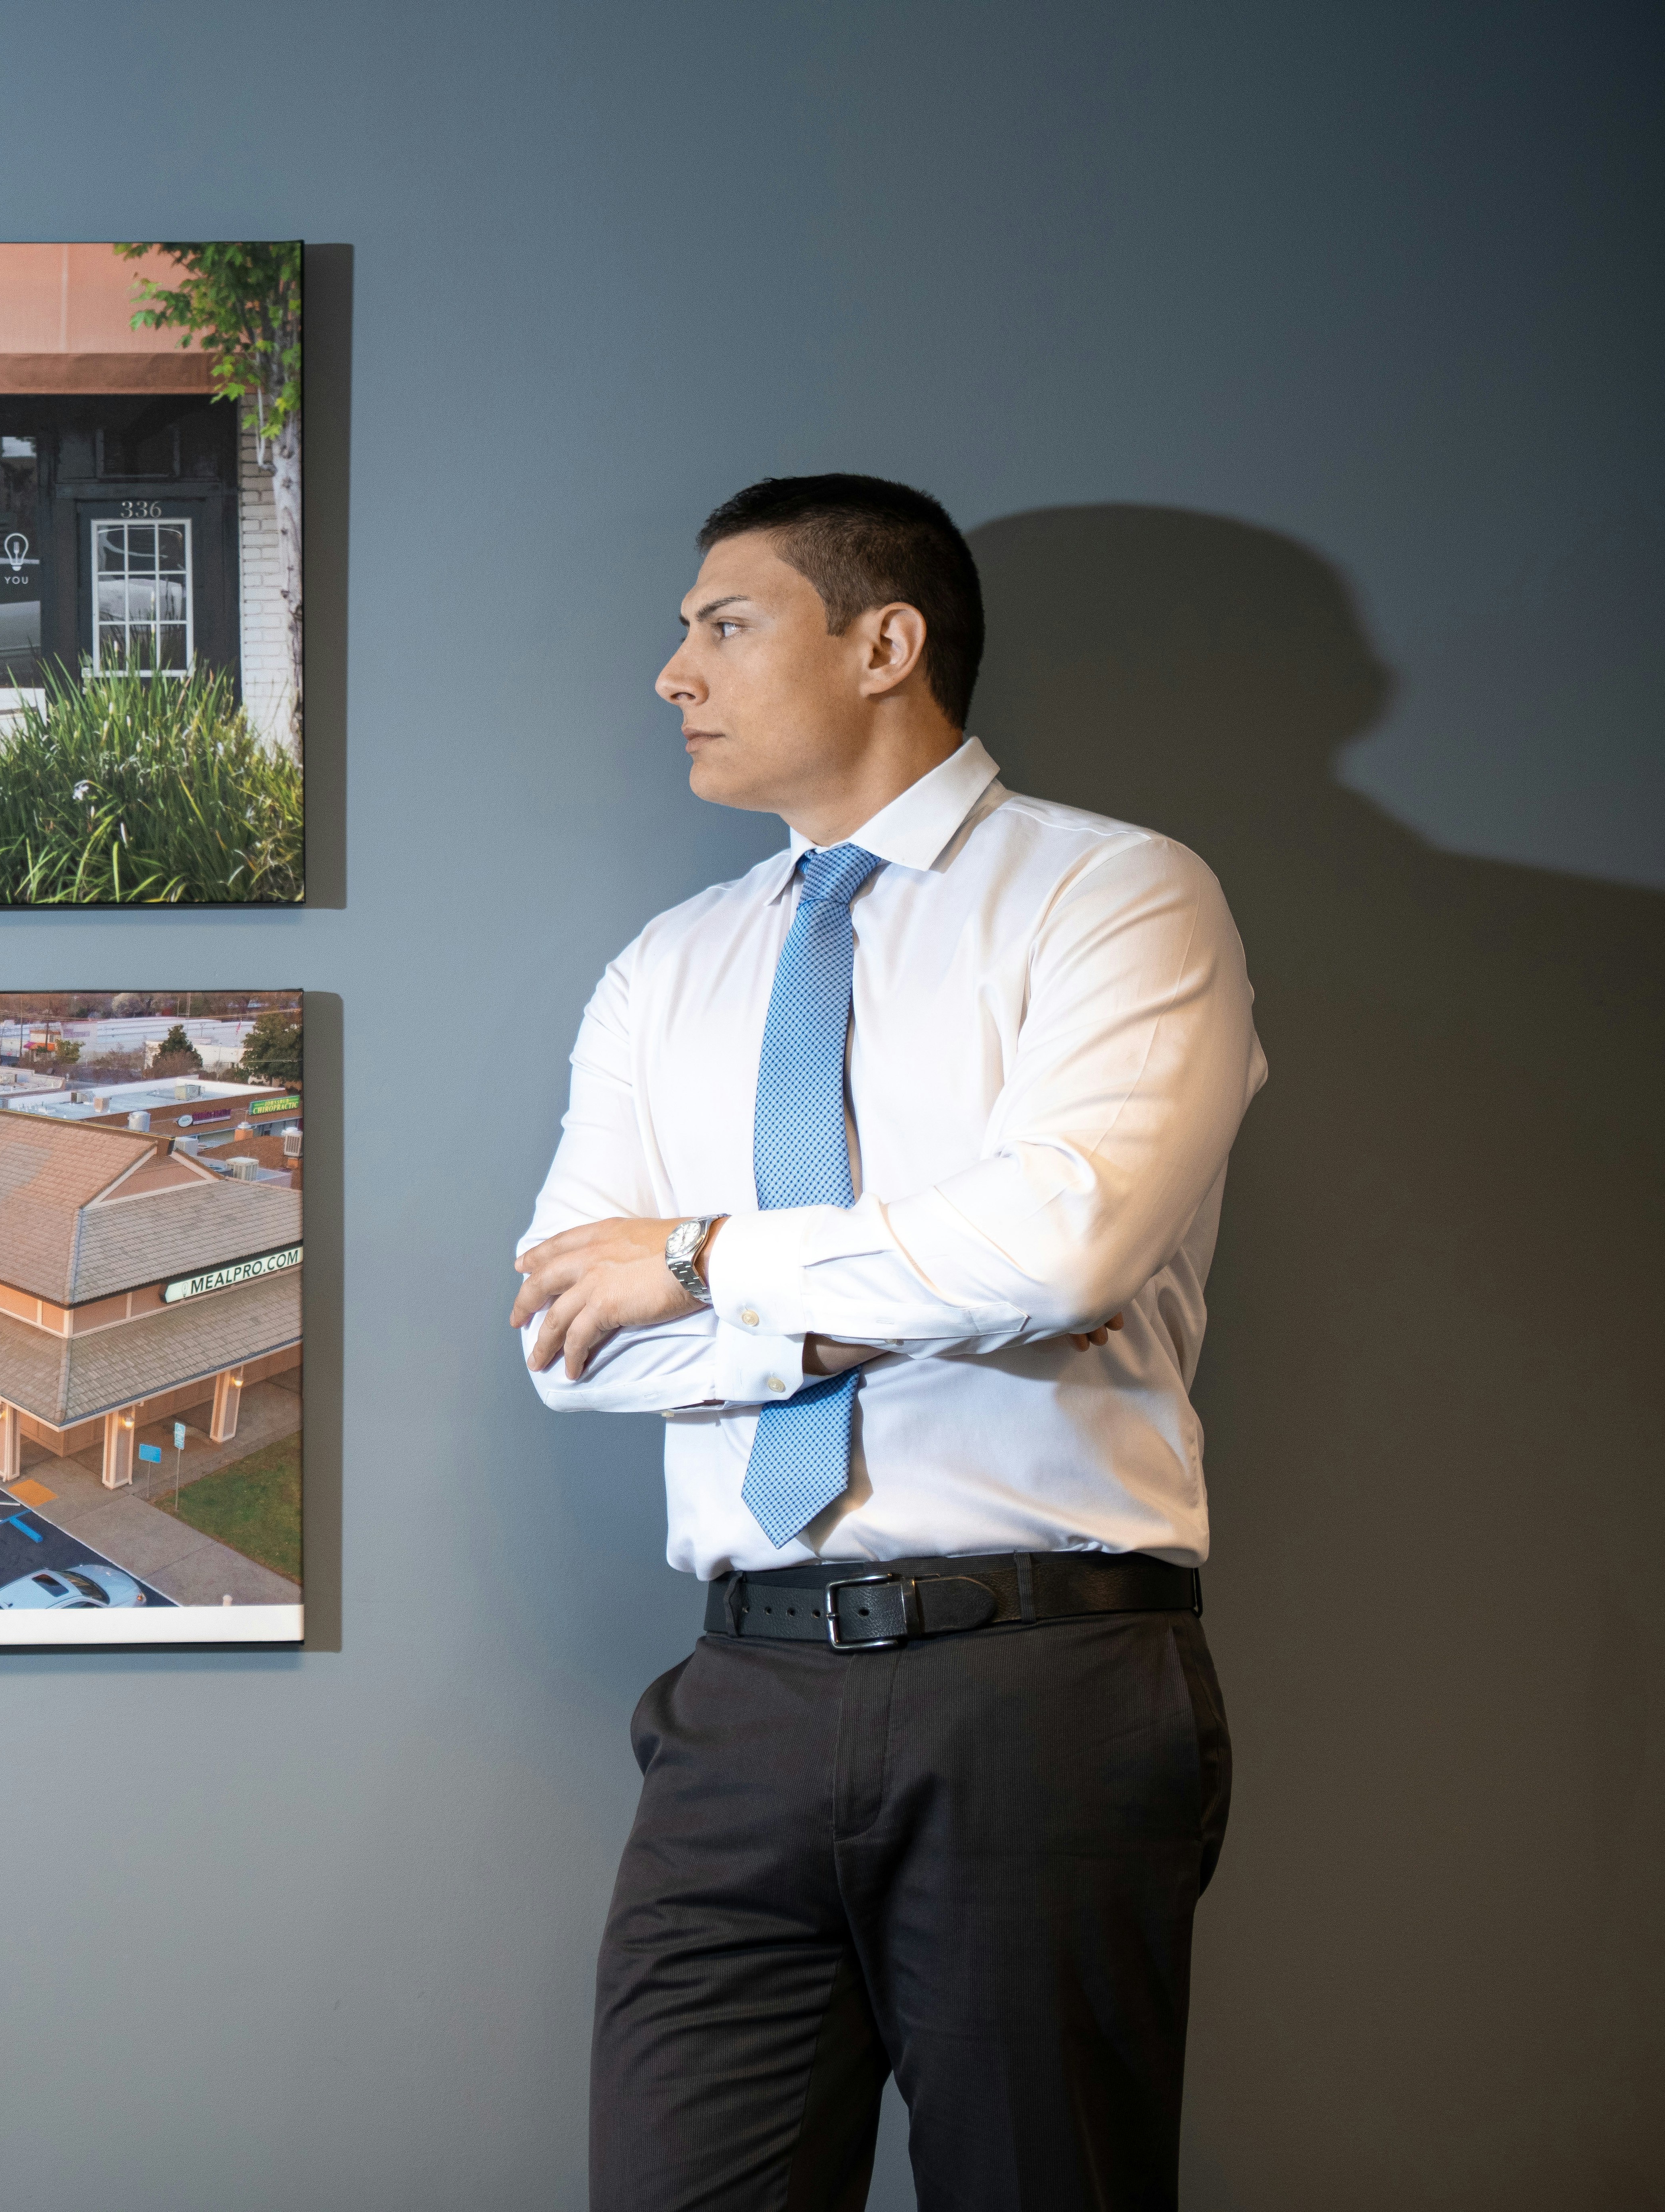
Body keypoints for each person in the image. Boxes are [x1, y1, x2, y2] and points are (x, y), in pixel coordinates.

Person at [507, 475, 1260, 2208]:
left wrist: (696, 1260)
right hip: (739, 1695)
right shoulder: (666, 969)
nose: (668, 673)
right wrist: (886, 1300)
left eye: (721, 623)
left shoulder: (1118, 897)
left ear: (882, 642)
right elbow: (566, 1335)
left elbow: (1065, 1237)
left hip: (1040, 1684)